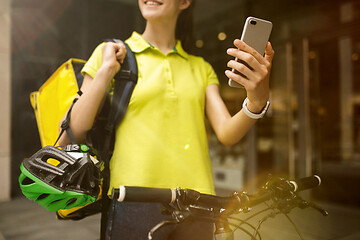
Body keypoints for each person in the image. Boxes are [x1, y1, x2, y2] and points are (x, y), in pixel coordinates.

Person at [58, 0, 274, 239]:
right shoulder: (110, 53)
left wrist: (256, 102)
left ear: (184, 2)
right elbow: (75, 128)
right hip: (132, 199)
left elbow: (227, 133)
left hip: (197, 202)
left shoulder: (200, 68)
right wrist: (105, 71)